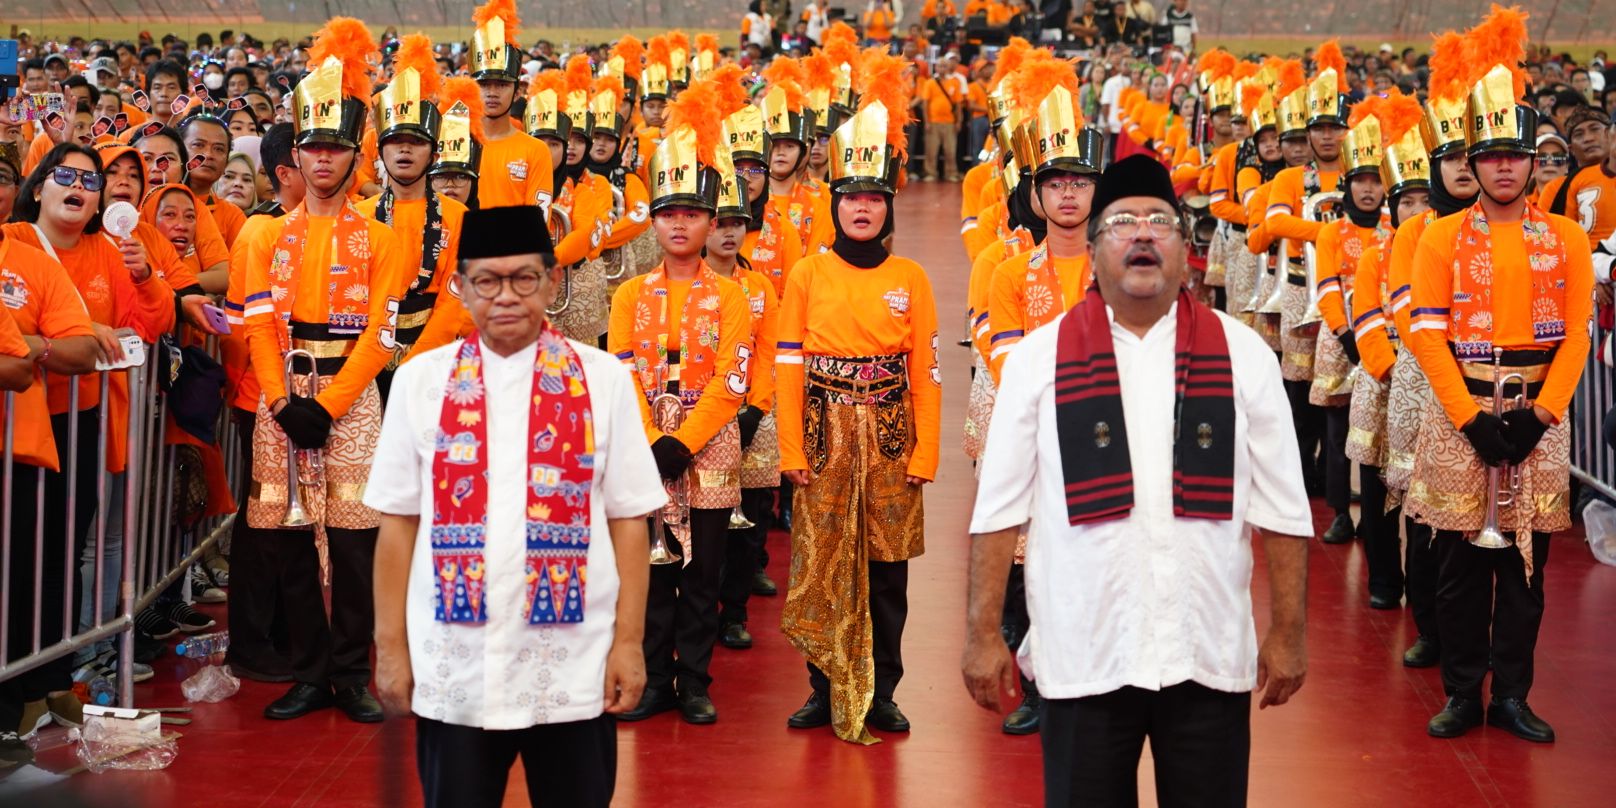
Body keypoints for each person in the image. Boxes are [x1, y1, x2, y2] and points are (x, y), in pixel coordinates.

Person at [963, 154, 1311, 807]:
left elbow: (1284, 510)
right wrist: (983, 633)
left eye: (1161, 221)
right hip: (1085, 649)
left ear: (1185, 252)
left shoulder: (1243, 357)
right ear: (1094, 253)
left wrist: (1289, 631)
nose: (1143, 234)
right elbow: (998, 507)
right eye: (1122, 223)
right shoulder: (1040, 361)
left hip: (1205, 648)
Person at [366, 205, 663, 808]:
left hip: (573, 660)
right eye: (487, 280)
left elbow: (629, 519)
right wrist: (392, 648)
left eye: (524, 278)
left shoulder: (602, 379)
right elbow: (397, 523)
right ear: (463, 287)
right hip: (456, 661)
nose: (506, 296)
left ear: (553, 282)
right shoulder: (420, 382)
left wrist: (628, 643)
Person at [1407, 9, 1591, 744]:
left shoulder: (1568, 238)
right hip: (1462, 412)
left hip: (1540, 416)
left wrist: (1537, 417)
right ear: (1473, 162)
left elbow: (1576, 335)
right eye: (1491, 156)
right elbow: (1425, 333)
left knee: (1525, 569)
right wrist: (1473, 419)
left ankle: (1512, 694)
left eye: (1517, 156)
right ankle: (1462, 691)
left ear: (1530, 164)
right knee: (1456, 566)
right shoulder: (1438, 237)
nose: (1505, 167)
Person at [238, 19, 405, 724]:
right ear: (296, 157)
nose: (324, 158)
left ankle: (350, 672)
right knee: (287, 541)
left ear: (354, 155)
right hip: (281, 396)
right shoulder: (264, 233)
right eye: (313, 146)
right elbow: (256, 323)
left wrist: (330, 404)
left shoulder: (384, 237)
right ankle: (308, 672)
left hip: (352, 398)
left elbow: (383, 333)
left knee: (356, 540)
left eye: (337, 146)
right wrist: (280, 400)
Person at [778, 55, 942, 743]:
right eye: (851, 197)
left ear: (888, 206)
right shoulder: (808, 273)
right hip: (822, 432)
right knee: (822, 560)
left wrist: (925, 453)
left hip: (891, 434)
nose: (863, 207)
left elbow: (926, 372)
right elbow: (787, 363)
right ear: (836, 204)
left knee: (885, 571)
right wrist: (791, 446)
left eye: (874, 198)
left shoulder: (913, 276)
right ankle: (825, 682)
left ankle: (882, 691)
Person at [609, 75, 753, 725]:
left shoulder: (731, 297)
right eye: (667, 212)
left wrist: (684, 440)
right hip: (644, 443)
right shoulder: (628, 295)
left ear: (710, 220)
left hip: (710, 443)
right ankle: (655, 675)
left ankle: (694, 679)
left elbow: (734, 378)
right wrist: (650, 439)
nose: (678, 223)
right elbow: (621, 374)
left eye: (691, 213)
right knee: (653, 564)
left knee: (704, 571)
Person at [1264, 45, 1349, 535]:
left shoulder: (1366, 172)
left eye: (1334, 127)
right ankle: (1300, 474)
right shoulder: (1292, 177)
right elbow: (1277, 222)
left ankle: (1335, 489)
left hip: (1350, 300)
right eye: (1318, 128)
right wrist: (1329, 233)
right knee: (1297, 399)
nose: (1325, 135)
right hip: (1300, 292)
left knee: (1337, 399)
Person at [1311, 95, 1393, 594]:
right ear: (1347, 185)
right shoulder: (1332, 232)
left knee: (1378, 435)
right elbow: (1325, 289)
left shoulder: (1392, 231)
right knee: (1341, 429)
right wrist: (1347, 335)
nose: (1368, 189)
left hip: (1384, 340)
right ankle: (1342, 511)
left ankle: (1377, 517)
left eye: (1375, 180)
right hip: (1342, 339)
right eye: (1360, 180)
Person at [356, 34, 468, 399]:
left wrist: (414, 366)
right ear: (380, 150)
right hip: (363, 363)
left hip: (434, 363)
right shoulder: (359, 216)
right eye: (395, 140)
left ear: (435, 154)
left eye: (417, 141)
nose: (405, 148)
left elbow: (454, 303)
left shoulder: (459, 216)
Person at [469, 0, 555, 210]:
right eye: (484, 84)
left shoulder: (536, 150)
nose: (491, 93)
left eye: (501, 85)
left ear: (517, 92)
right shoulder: (453, 143)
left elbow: (537, 226)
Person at [915, 53, 965, 182]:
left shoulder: (955, 83)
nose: (942, 68)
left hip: (950, 122)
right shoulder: (930, 83)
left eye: (944, 66)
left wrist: (959, 121)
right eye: (940, 66)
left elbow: (958, 104)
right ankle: (930, 172)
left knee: (950, 150)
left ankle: (951, 173)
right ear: (936, 68)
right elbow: (925, 104)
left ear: (948, 68)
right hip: (933, 122)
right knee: (931, 150)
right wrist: (927, 122)